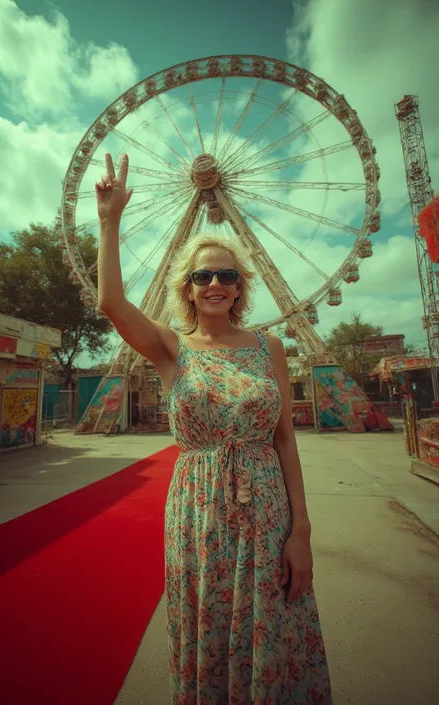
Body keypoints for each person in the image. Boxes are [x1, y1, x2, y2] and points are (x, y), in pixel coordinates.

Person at [97, 153, 332, 704]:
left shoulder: (266, 347)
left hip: (267, 506)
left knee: (274, 626)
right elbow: (111, 302)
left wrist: (301, 532)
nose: (216, 283)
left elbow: (284, 441)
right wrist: (110, 221)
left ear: (239, 286)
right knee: (208, 624)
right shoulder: (171, 349)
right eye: (204, 275)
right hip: (197, 510)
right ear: (189, 287)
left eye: (227, 275)